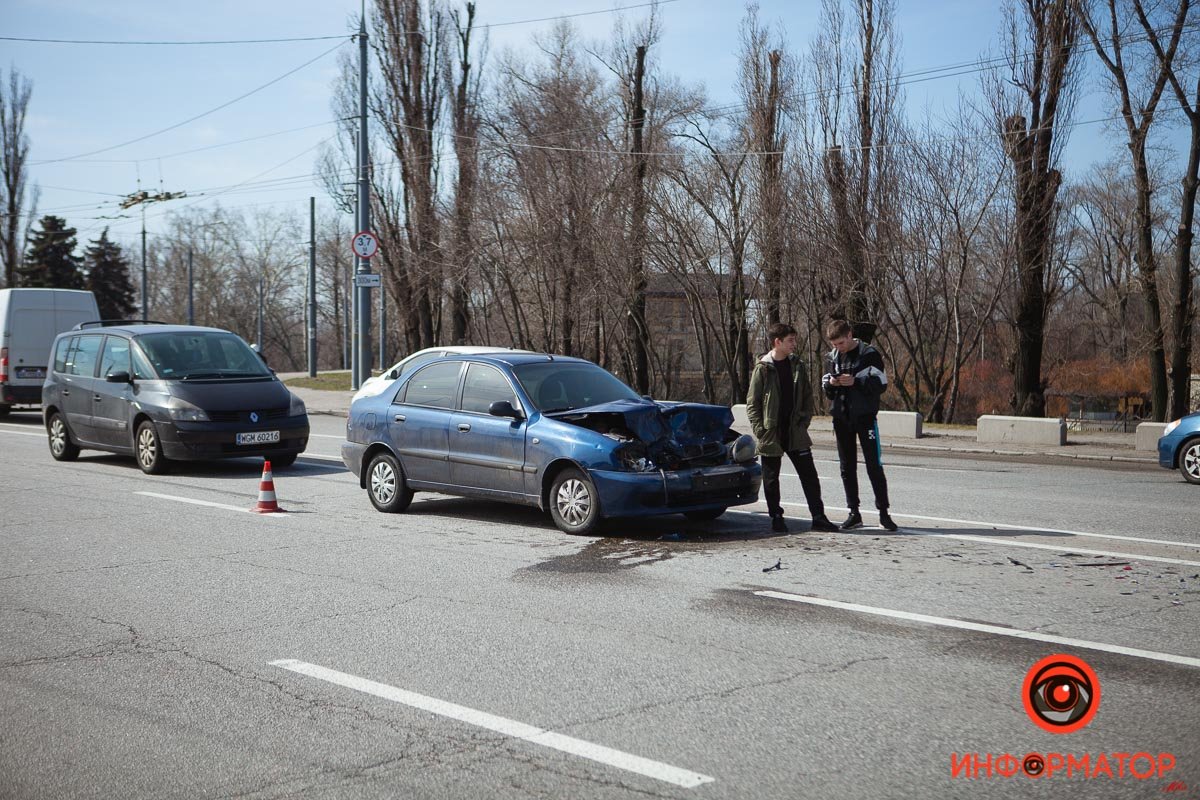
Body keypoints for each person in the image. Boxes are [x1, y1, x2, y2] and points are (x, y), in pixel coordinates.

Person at [746, 322, 839, 534]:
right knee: (771, 479)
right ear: (777, 342)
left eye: (794, 340)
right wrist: (761, 430)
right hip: (772, 432)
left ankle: (818, 517)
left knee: (809, 476)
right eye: (790, 340)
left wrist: (804, 420)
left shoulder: (797, 365)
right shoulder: (763, 368)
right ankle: (776, 517)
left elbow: (807, 395)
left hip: (795, 431)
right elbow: (753, 403)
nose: (794, 344)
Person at [821, 319, 898, 531]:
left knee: (874, 465)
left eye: (841, 343)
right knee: (847, 467)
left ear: (849, 336)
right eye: (834, 344)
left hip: (865, 417)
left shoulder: (869, 354)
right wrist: (832, 384)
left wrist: (856, 381)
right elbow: (825, 387)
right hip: (841, 417)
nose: (838, 348)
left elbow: (881, 384)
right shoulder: (831, 358)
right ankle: (854, 512)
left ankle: (884, 512)